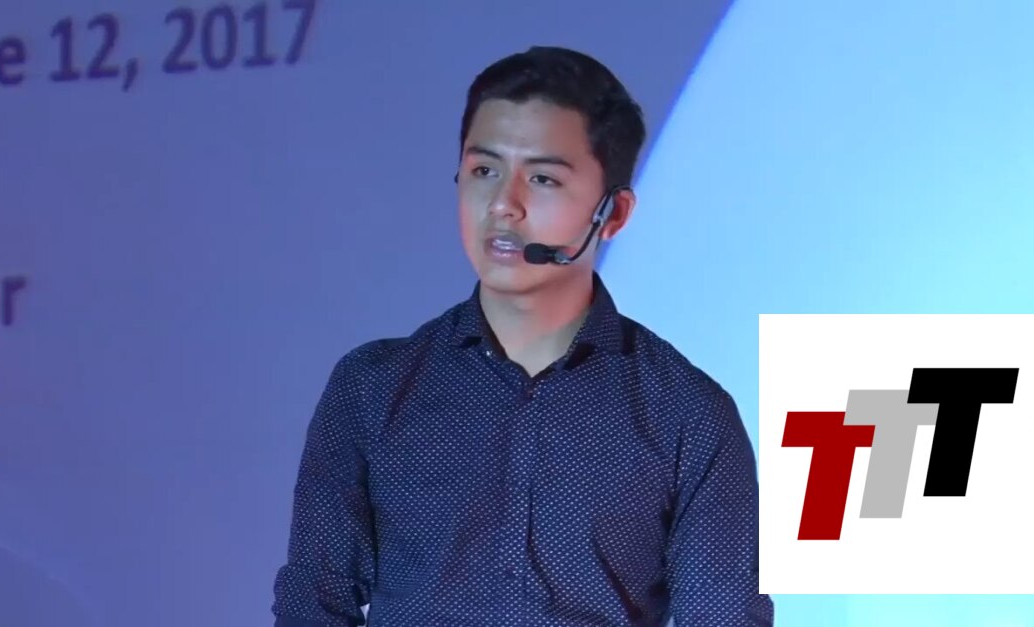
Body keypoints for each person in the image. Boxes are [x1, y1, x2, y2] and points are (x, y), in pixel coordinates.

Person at [271, 46, 773, 626]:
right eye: (484, 171)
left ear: (613, 214)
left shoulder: (687, 414)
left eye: (542, 179)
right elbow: (313, 604)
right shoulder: (373, 389)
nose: (503, 206)